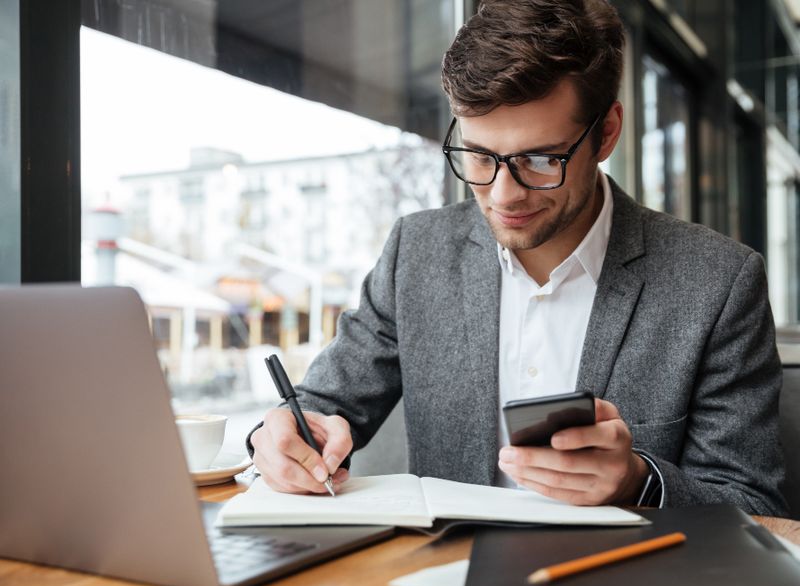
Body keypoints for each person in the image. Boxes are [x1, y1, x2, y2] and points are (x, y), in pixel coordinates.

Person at [248, 0, 787, 515]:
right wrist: (280, 438)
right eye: (480, 156)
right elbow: (320, 406)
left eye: (539, 158)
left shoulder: (717, 283)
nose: (503, 195)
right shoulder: (416, 253)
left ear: (607, 133)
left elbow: (753, 504)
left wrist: (638, 481)